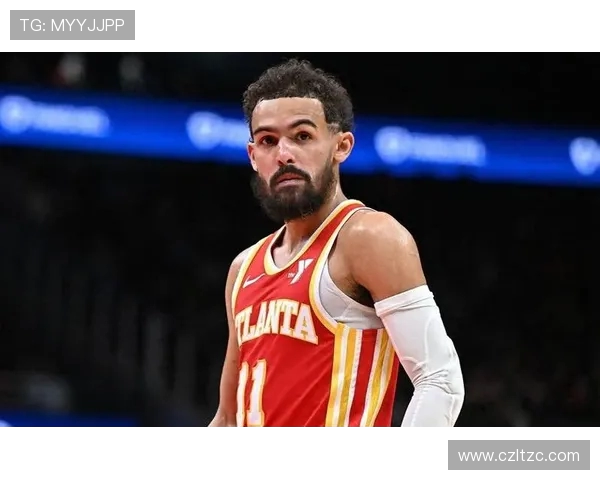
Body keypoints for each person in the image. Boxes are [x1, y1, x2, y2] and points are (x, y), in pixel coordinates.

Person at [209, 59, 464, 427]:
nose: (283, 154)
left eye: (302, 136)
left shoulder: (369, 237)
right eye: (268, 141)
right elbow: (227, 419)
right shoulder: (243, 268)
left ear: (341, 146)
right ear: (253, 156)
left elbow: (440, 380)